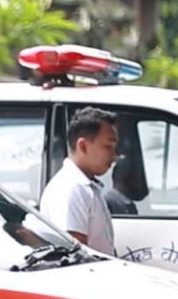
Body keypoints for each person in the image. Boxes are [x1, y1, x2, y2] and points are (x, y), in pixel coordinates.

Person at [38, 106, 118, 255]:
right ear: (83, 146)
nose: (114, 155)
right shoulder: (71, 188)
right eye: (108, 146)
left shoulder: (86, 186)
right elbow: (76, 254)